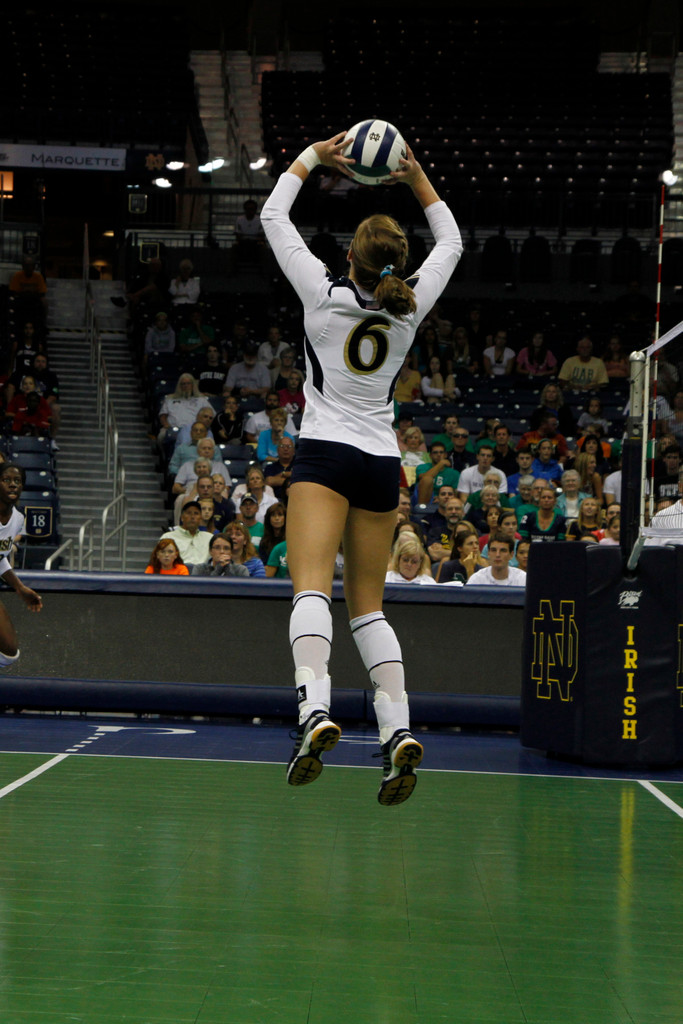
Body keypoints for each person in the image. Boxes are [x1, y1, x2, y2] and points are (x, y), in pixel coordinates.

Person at [260, 130, 462, 804]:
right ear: (396, 264)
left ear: (347, 254)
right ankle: (396, 729)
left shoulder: (321, 293)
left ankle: (313, 710)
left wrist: (316, 156)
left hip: (323, 455)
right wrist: (417, 178)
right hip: (381, 462)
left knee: (310, 591)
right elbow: (453, 242)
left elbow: (272, 215)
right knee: (368, 608)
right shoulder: (409, 309)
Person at [0, 464, 42, 669]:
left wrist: (19, 587)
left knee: (9, 652)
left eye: (17, 481)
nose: (12, 485)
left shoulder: (17, 520)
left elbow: (0, 558)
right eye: (6, 480)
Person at [160, 501, 212, 567]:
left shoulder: (209, 538)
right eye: (189, 513)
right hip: (177, 574)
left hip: (203, 575)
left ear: (200, 518)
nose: (192, 517)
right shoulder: (168, 537)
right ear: (182, 517)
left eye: (196, 513)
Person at [158, 374, 209, 438]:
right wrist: (167, 427)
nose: (186, 386)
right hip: (173, 429)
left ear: (192, 385)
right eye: (183, 384)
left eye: (188, 383)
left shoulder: (202, 399)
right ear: (179, 385)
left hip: (195, 430)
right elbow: (163, 416)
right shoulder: (170, 399)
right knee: (161, 436)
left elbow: (211, 415)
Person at [264, 436, 296, 501]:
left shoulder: (299, 466)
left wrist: (281, 475)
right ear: (277, 450)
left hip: (295, 500)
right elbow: (269, 481)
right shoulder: (270, 467)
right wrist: (289, 477)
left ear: (294, 451)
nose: (286, 449)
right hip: (274, 502)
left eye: (289, 446)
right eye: (282, 446)